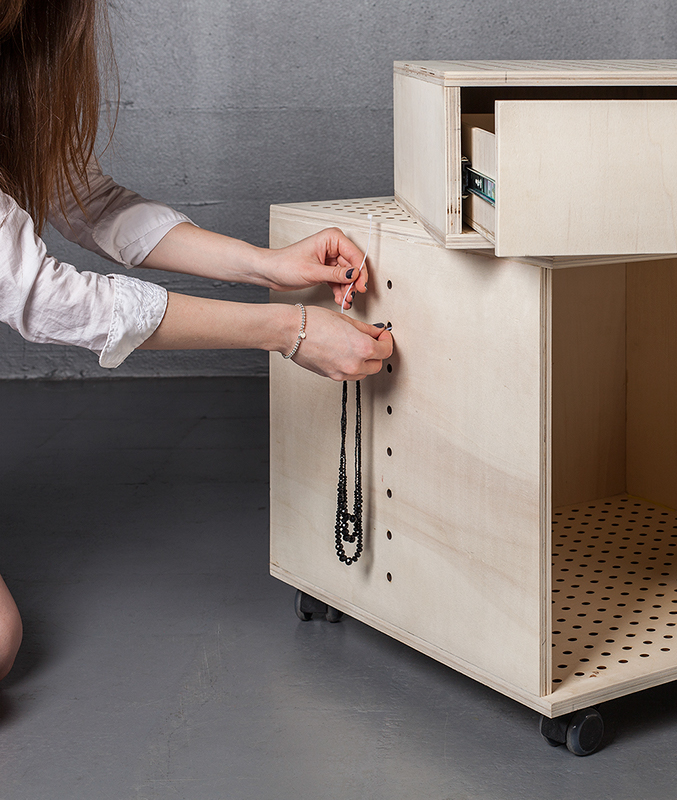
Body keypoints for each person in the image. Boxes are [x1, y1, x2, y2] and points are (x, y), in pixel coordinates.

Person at [0, 0, 394, 681]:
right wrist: (289, 330)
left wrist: (265, 266)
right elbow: (45, 297)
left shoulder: (24, 45)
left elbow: (88, 200)